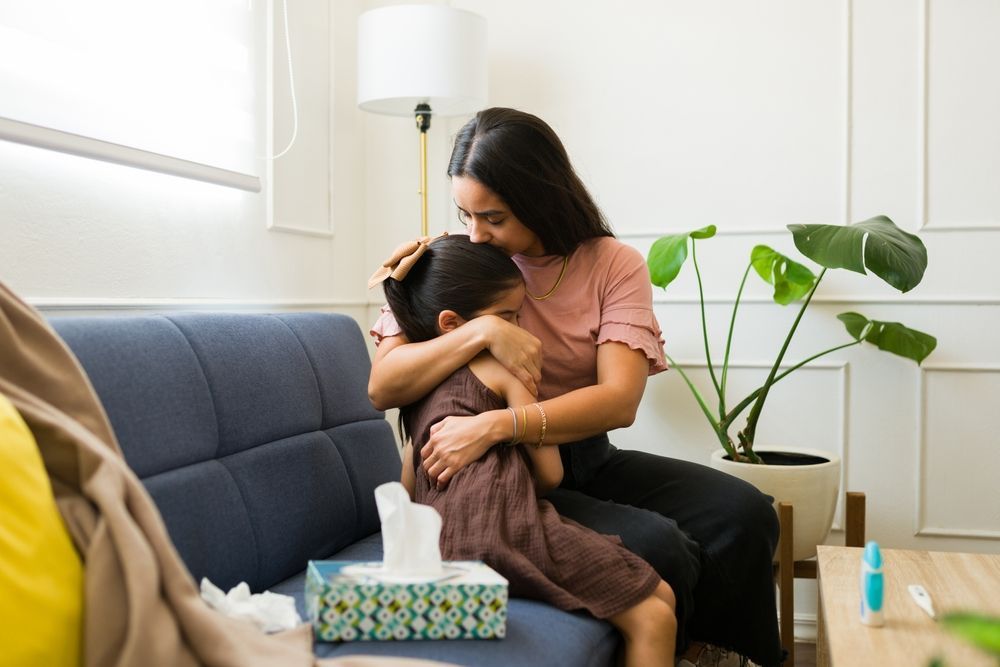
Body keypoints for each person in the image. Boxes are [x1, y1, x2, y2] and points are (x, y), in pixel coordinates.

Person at [369, 108, 783, 666]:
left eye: (492, 216)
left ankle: (737, 657)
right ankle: (683, 651)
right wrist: (483, 332)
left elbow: (619, 399)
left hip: (576, 452)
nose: (474, 233)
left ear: (541, 199)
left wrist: (499, 424)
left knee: (747, 512)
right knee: (661, 545)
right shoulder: (460, 259)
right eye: (464, 213)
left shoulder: (613, 264)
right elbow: (384, 385)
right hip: (503, 476)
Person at [370, 233, 677, 666]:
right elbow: (550, 475)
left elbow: (408, 487)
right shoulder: (505, 369)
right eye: (509, 317)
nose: (518, 330)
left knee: (654, 595)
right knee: (655, 615)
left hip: (442, 545)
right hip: (505, 530)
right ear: (453, 324)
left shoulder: (413, 391)